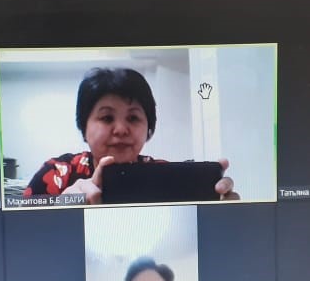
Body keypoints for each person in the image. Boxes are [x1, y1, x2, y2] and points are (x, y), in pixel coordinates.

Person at [22, 67, 237, 205]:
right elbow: (18, 239)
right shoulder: (55, 174)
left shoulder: (163, 175)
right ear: (83, 126)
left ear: (148, 127)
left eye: (133, 118)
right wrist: (58, 212)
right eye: (107, 118)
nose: (121, 129)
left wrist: (225, 213)